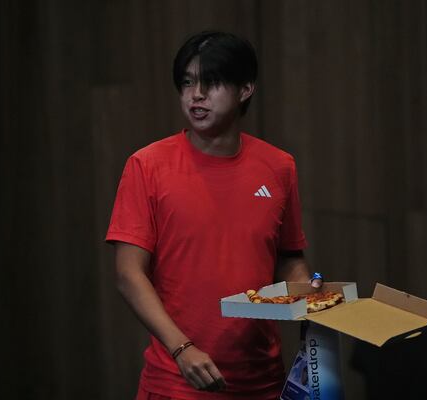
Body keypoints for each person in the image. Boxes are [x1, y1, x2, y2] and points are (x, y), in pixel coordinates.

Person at [106, 31, 320, 400]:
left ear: (245, 90)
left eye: (212, 82)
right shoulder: (147, 165)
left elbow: (288, 258)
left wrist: (311, 294)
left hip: (263, 382)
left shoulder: (279, 167)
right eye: (187, 82)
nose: (196, 94)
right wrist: (181, 349)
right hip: (175, 380)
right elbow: (128, 273)